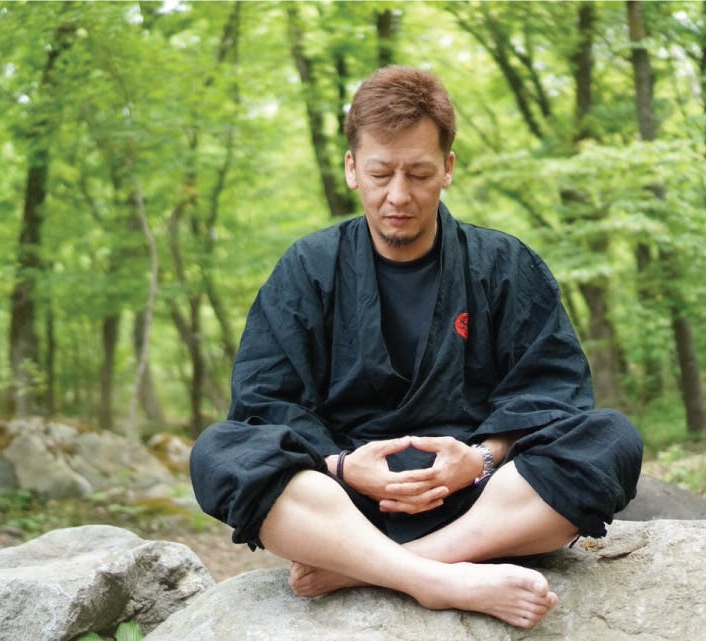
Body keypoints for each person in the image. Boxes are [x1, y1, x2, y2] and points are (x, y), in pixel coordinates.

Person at [190, 66, 642, 629]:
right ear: (352, 168)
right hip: (343, 504)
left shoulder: (504, 264)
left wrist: (479, 458)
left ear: (448, 169)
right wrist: (342, 466)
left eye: (420, 173)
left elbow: (554, 392)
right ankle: (436, 579)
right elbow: (263, 403)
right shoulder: (307, 269)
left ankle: (376, 569)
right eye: (380, 173)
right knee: (219, 452)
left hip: (481, 498)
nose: (398, 195)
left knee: (611, 439)